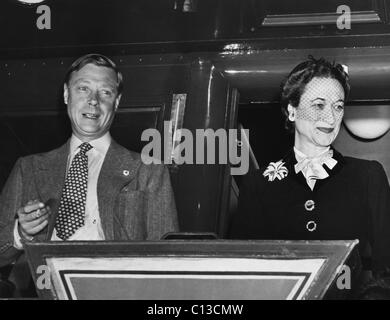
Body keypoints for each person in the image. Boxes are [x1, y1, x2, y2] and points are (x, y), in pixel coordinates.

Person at [0, 54, 178, 295]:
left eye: (105, 92)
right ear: (66, 94)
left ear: (117, 102)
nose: (93, 101)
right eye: (83, 88)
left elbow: (169, 260)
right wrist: (20, 232)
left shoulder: (149, 169)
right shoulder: (28, 168)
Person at [228, 56, 390, 292]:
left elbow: (386, 269)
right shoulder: (259, 183)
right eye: (318, 105)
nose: (331, 117)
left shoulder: (368, 176)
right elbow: (241, 271)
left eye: (338, 106)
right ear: (292, 111)